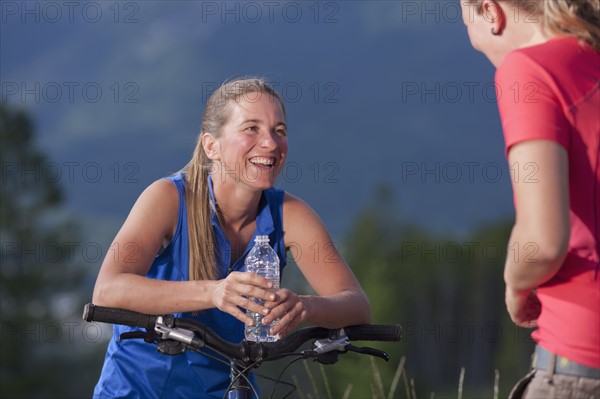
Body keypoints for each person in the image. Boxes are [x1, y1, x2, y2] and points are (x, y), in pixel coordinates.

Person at [90, 78, 371, 398]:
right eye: (252, 128)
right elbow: (108, 290)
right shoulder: (168, 198)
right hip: (138, 390)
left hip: (229, 389)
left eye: (279, 131)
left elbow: (357, 305)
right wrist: (214, 292)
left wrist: (305, 307)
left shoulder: (289, 214)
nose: (270, 143)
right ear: (212, 146)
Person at [460, 0, 600, 397]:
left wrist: (515, 285)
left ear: (490, 11)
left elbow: (541, 243)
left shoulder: (529, 70)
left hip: (581, 359)